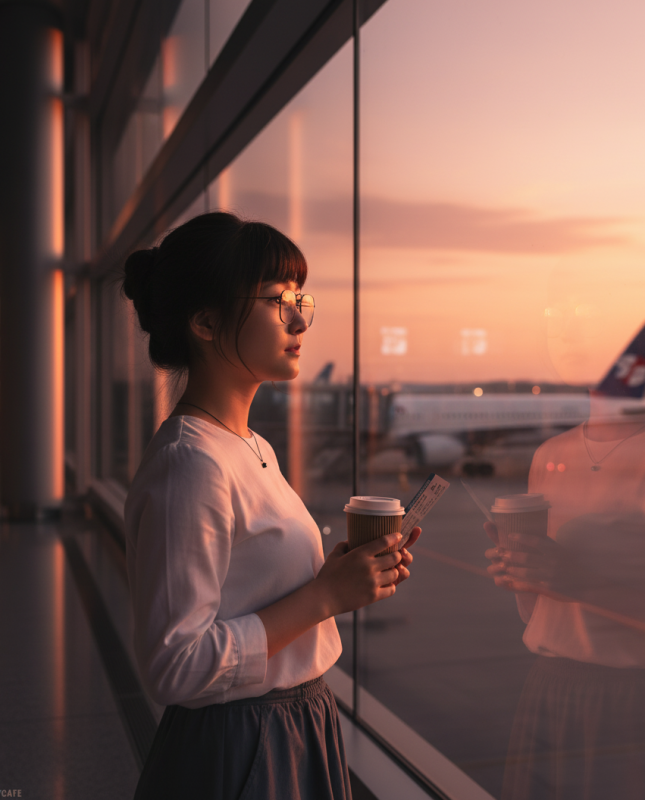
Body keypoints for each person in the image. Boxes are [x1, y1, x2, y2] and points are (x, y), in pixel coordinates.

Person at [121, 211, 421, 800]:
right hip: (241, 742)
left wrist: (340, 576)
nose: (297, 317)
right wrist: (324, 596)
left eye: (299, 299)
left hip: (291, 722)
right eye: (275, 299)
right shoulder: (192, 463)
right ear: (206, 323)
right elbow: (175, 664)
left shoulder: (250, 445)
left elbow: (252, 588)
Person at [485, 392, 645, 799]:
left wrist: (583, 586)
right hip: (550, 692)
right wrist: (526, 576)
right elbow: (537, 617)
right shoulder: (551, 454)